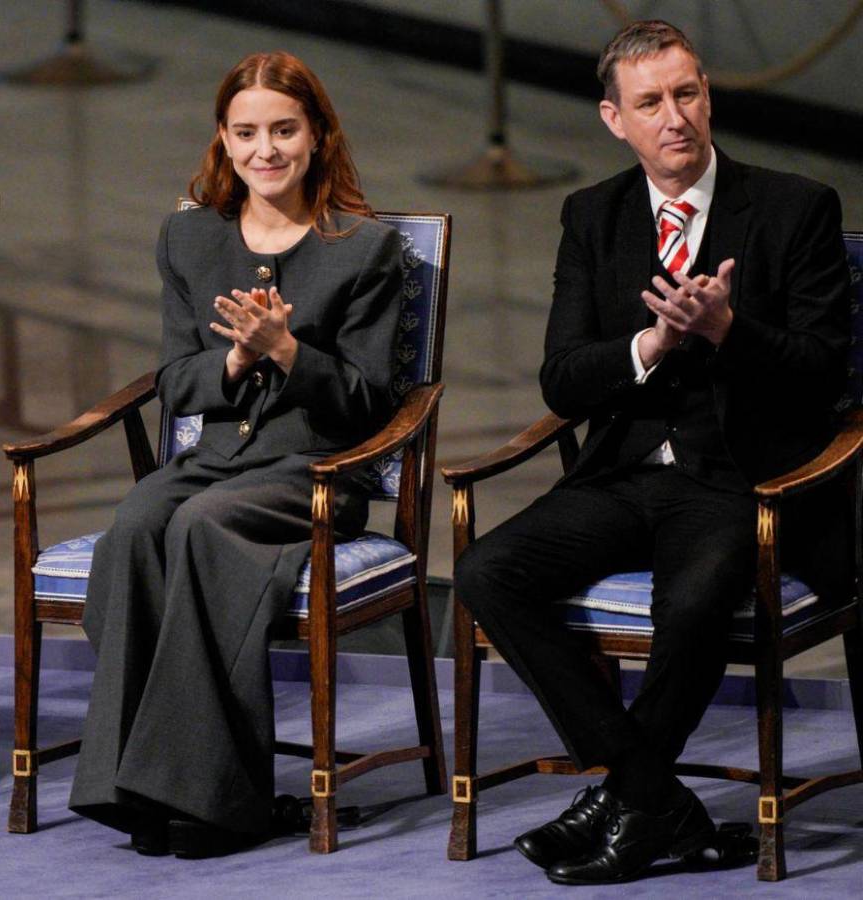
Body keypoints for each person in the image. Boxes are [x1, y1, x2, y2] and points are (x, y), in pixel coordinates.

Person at [452, 20, 851, 886]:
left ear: (706, 94)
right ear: (613, 119)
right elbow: (563, 380)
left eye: (688, 93)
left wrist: (729, 331)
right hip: (626, 472)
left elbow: (824, 373)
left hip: (746, 481)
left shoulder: (795, 205)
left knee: (698, 598)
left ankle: (628, 808)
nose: (675, 117)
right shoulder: (591, 215)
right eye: (651, 103)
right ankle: (655, 801)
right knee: (488, 572)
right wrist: (651, 347)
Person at [68, 51, 404, 858]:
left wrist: (289, 352)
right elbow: (177, 383)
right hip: (216, 462)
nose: (267, 150)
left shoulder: (365, 248)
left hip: (315, 474)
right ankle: (132, 787)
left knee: (201, 528)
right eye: (247, 133)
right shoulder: (189, 237)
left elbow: (372, 405)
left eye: (284, 130)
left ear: (318, 136)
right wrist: (233, 362)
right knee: (139, 523)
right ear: (223, 139)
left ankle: (216, 798)